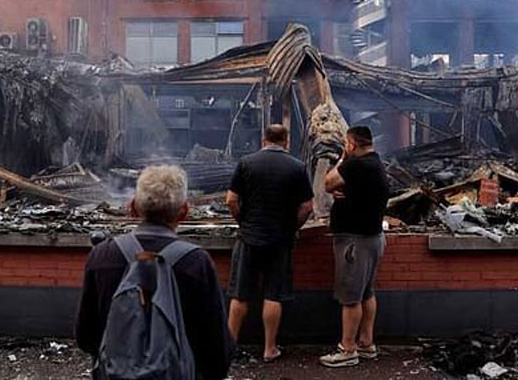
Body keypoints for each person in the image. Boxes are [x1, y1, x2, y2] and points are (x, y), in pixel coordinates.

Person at [76, 165, 234, 380]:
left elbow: (86, 335)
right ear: (184, 212)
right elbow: (216, 344)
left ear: (133, 207)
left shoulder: (103, 256)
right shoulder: (196, 263)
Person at [225, 124, 314, 363]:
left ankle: (229, 347)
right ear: (286, 141)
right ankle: (269, 348)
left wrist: (243, 220)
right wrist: (293, 226)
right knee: (273, 295)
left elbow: (231, 200)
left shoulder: (246, 163)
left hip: (249, 237)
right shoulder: (297, 167)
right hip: (280, 239)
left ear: (263, 140)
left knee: (240, 295)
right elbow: (307, 207)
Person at [319, 125, 390, 368]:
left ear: (351, 144)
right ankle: (366, 343)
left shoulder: (357, 165)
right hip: (373, 238)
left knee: (350, 297)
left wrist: (342, 159)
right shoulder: (375, 164)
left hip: (354, 242)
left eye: (346, 144)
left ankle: (347, 349)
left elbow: (327, 183)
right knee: (367, 293)